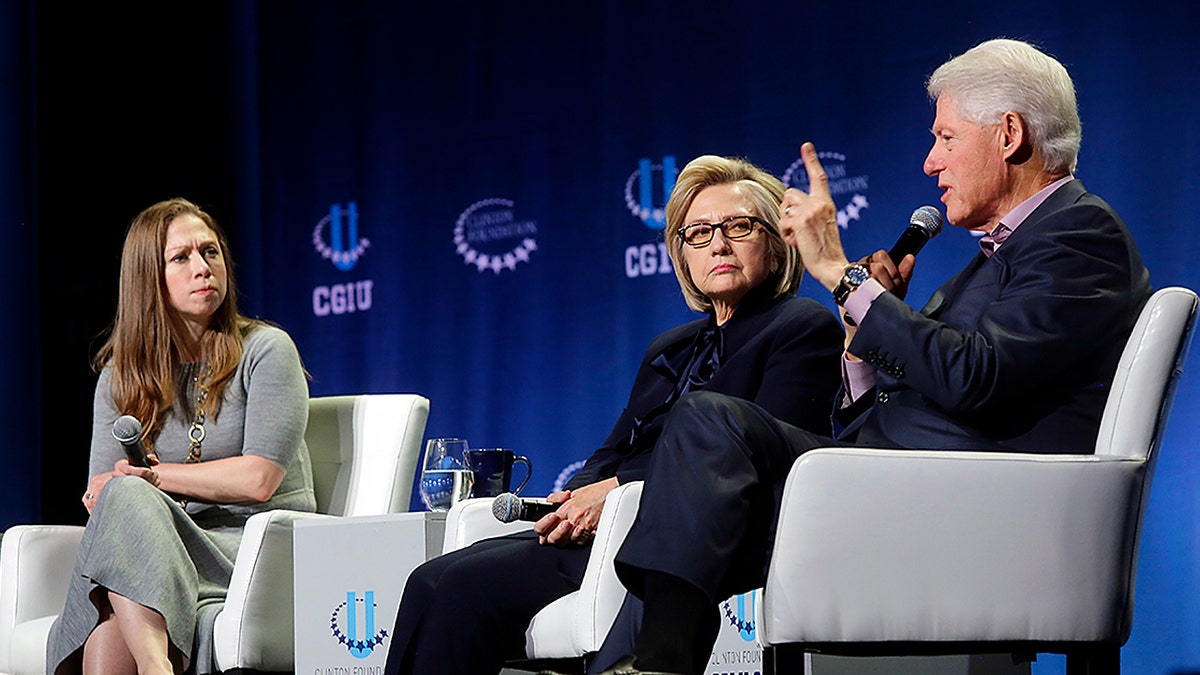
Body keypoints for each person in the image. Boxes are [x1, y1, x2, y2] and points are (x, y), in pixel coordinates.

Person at [585, 39, 1153, 675]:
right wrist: (863, 337)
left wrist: (842, 279)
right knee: (706, 430)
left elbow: (976, 378)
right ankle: (647, 661)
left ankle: (654, 664)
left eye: (945, 136)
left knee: (709, 445)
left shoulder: (1080, 234)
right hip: (891, 482)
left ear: (1010, 134)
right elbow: (910, 396)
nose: (930, 162)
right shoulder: (984, 266)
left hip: (965, 507)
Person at [382, 155, 846, 675]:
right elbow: (611, 450)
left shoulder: (801, 326)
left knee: (464, 589)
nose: (718, 244)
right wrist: (575, 497)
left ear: (777, 241)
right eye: (698, 233)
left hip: (672, 531)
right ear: (682, 254)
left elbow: (757, 457)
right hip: (602, 526)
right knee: (428, 580)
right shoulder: (670, 348)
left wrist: (617, 492)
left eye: (738, 227)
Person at [46, 198, 315, 675]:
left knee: (128, 507)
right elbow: (102, 493)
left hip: (256, 546)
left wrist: (153, 478)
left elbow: (260, 479)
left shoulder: (266, 350)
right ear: (149, 278)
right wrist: (114, 491)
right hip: (165, 550)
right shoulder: (121, 376)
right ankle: (156, 667)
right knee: (111, 623)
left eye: (210, 252)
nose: (203, 268)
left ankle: (156, 668)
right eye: (182, 258)